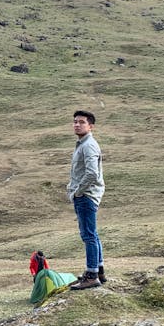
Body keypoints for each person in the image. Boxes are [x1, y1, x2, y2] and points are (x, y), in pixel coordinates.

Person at [67, 110, 106, 290]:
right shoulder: (83, 144)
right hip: (87, 194)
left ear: (90, 126)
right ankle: (98, 271)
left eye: (81, 122)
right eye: (75, 122)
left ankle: (91, 276)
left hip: (86, 196)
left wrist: (78, 192)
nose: (77, 125)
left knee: (88, 235)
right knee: (93, 234)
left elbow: (92, 173)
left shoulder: (88, 145)